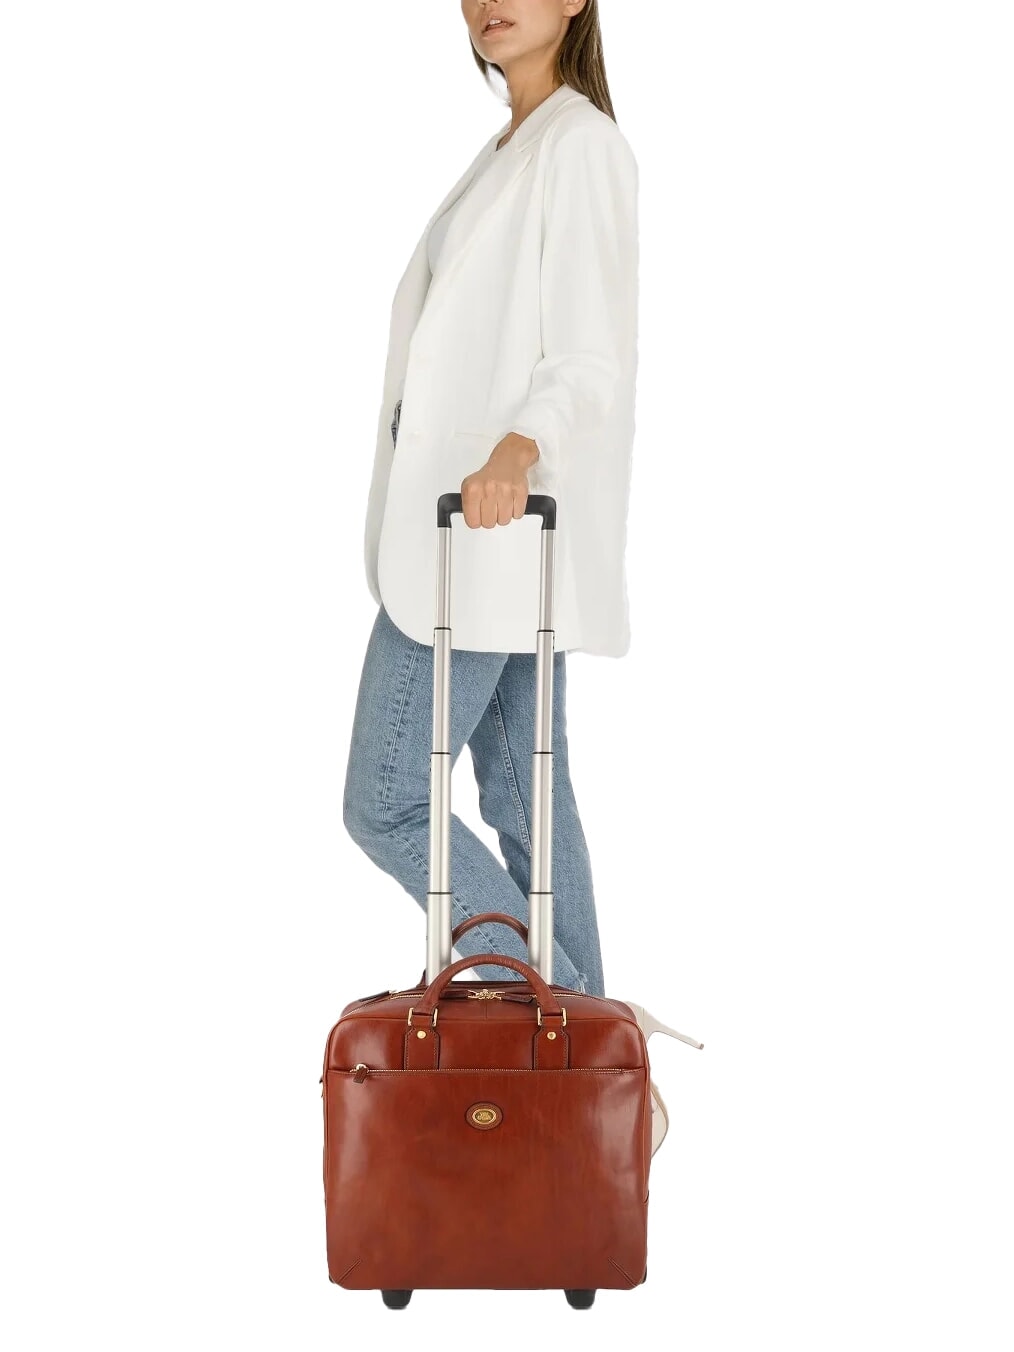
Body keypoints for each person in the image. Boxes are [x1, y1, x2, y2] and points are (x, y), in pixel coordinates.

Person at [344, 1, 636, 999]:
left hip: (488, 525)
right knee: (527, 803)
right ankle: (598, 1067)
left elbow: (591, 354)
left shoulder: (582, 145)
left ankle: (577, 1018)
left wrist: (519, 445)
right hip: (480, 538)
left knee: (387, 801)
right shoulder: (514, 145)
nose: (486, 1)